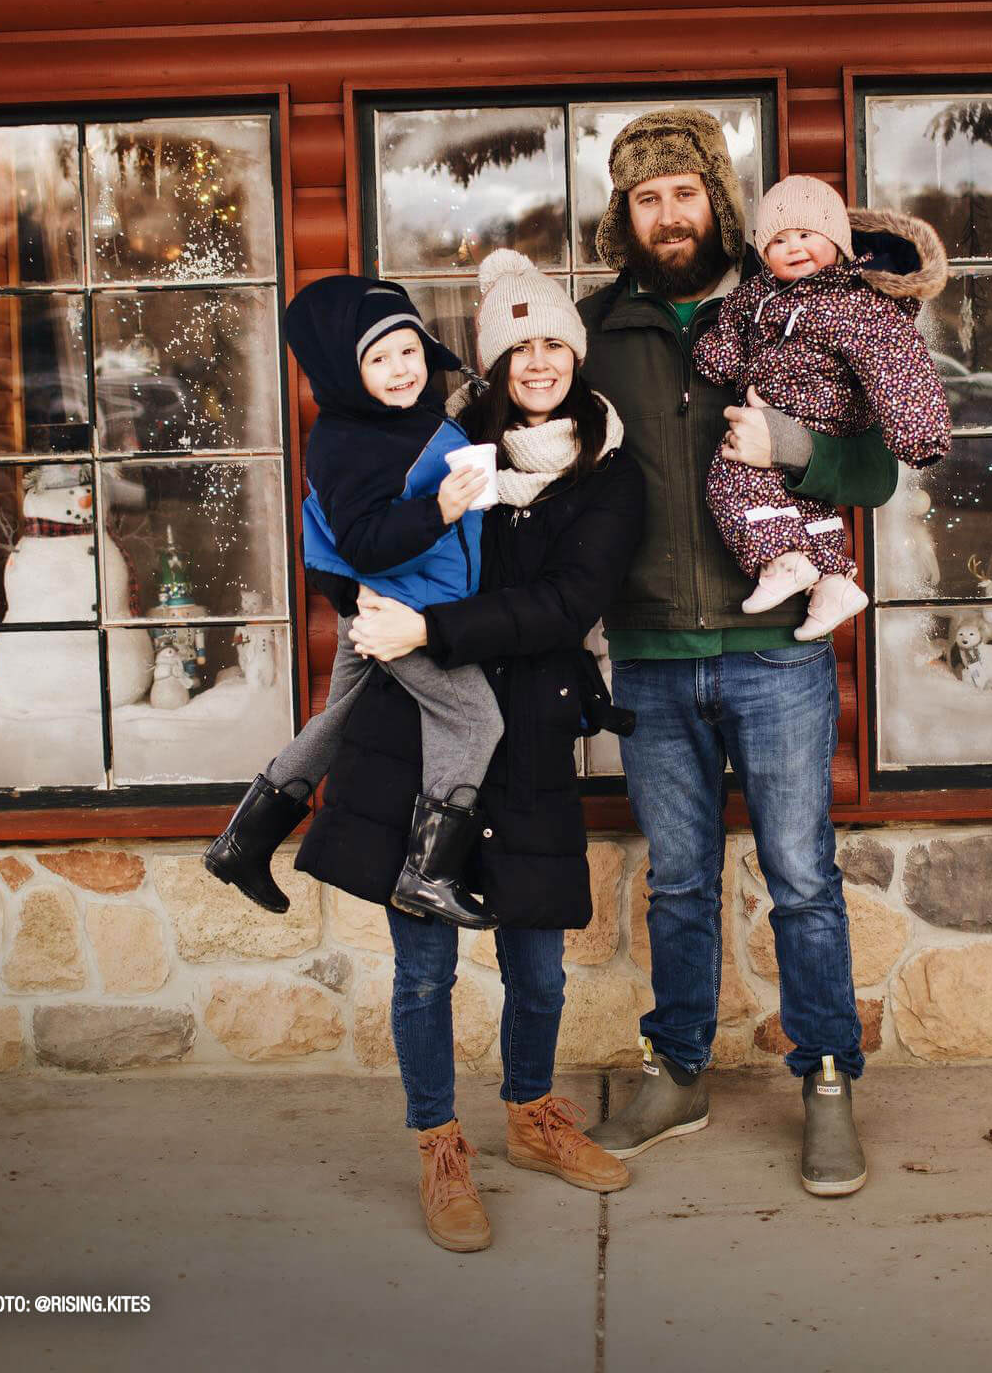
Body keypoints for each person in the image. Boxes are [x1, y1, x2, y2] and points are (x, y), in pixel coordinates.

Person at [576, 108, 946, 1197]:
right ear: (626, 214)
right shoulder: (595, 331)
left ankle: (826, 1079)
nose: (668, 213)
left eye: (684, 192)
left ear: (718, 201)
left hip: (777, 649)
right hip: (650, 649)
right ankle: (678, 1073)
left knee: (801, 879)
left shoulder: (799, 302)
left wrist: (790, 444)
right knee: (680, 882)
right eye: (647, 197)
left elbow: (876, 471)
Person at [295, 249, 647, 1253]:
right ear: (492, 362)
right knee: (424, 970)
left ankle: (532, 1116)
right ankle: (439, 1146)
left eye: (553, 345)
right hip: (418, 731)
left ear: (575, 356)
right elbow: (354, 538)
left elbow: (567, 603)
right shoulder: (445, 441)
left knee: (539, 965)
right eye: (518, 348)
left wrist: (430, 627)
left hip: (528, 729)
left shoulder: (608, 472)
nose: (537, 362)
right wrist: (363, 605)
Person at [204, 275, 502, 928]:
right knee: (476, 721)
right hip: (400, 611)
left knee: (338, 718)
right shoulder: (351, 441)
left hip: (379, 604)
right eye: (379, 358)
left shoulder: (396, 419)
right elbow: (364, 542)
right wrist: (440, 510)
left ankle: (242, 843)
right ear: (346, 370)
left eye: (409, 350)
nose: (402, 369)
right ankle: (428, 874)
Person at [694, 175, 951, 637]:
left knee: (732, 476)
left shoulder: (856, 302)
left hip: (822, 415)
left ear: (837, 240)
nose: (793, 247)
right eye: (778, 240)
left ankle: (781, 560)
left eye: (806, 234)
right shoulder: (758, 293)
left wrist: (920, 432)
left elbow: (896, 362)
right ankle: (834, 583)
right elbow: (731, 323)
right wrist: (717, 356)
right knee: (805, 504)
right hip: (779, 409)